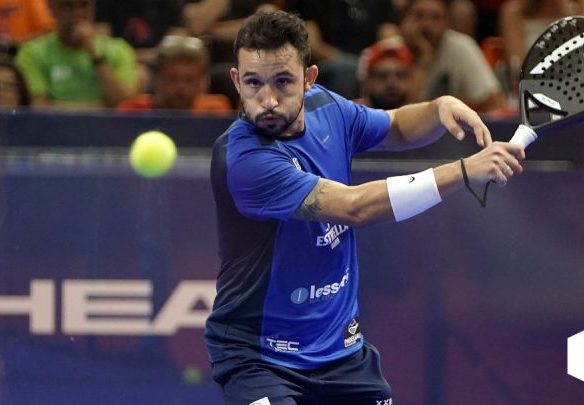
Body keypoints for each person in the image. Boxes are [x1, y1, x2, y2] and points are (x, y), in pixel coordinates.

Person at [205, 10, 525, 404]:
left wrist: (437, 107)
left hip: (340, 353)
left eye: (283, 81)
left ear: (309, 79)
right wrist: (462, 171)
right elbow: (353, 207)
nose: (267, 99)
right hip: (259, 357)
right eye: (253, 82)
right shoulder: (244, 159)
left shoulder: (326, 108)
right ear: (236, 80)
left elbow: (395, 125)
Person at [14, 0, 138, 108]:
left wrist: (94, 54)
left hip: (107, 127)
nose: (78, 13)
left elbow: (124, 106)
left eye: (84, 5)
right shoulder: (31, 53)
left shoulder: (119, 50)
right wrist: (102, 107)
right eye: (67, 6)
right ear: (50, 8)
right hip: (54, 127)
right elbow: (41, 109)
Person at [399, 0, 506, 113]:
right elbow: (404, 113)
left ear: (448, 22)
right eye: (418, 16)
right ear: (405, 19)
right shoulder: (394, 50)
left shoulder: (462, 47)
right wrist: (424, 59)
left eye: (436, 18)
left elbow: (496, 103)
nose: (426, 25)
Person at [118, 35, 231, 112]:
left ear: (204, 81)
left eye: (190, 80)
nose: (181, 86)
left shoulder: (215, 111)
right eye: (172, 78)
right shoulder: (133, 111)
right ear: (156, 78)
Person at [357, 38, 415, 110]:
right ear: (366, 82)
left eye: (400, 75)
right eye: (382, 76)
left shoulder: (421, 115)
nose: (392, 83)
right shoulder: (350, 114)